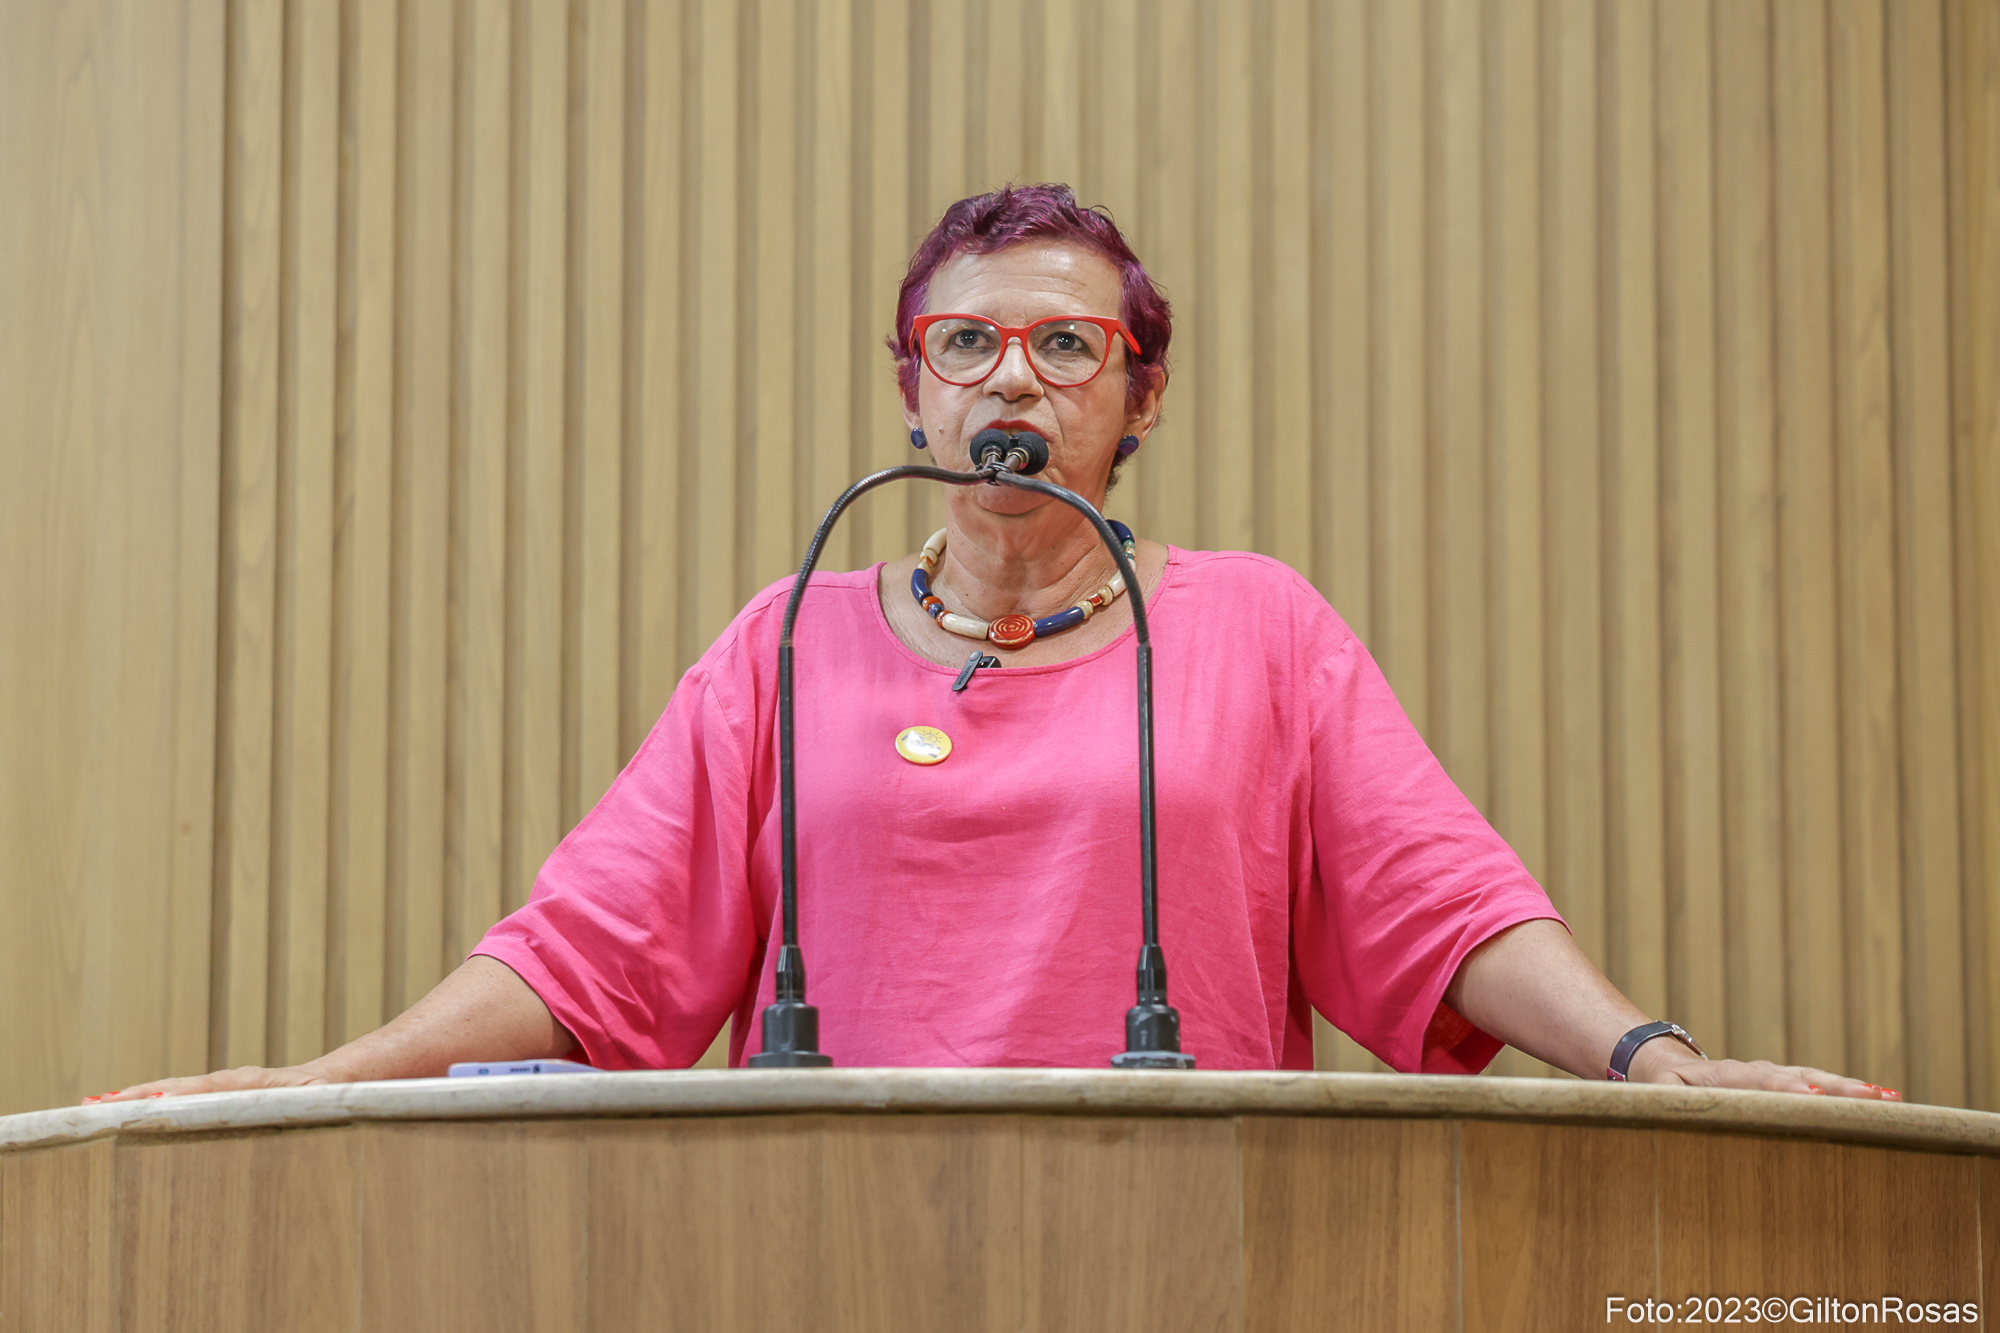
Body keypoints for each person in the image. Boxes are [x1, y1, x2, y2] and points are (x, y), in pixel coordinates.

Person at [96, 185, 1896, 1104]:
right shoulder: (787, 639)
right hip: (828, 1259)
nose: (1010, 380)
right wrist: (316, 1083)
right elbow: (591, 952)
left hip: (1202, 1248)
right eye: (966, 345)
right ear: (914, 384)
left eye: (1064, 346)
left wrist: (1657, 1057)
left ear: (1141, 393)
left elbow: (1445, 903)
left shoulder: (1255, 626)